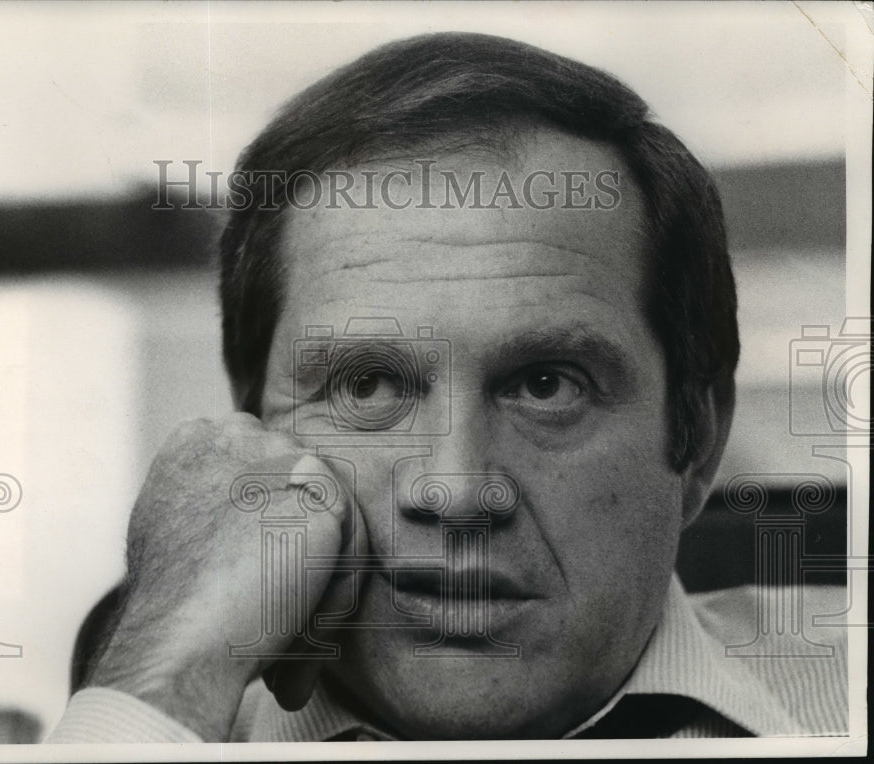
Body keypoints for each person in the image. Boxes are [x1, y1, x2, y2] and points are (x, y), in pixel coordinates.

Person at [48, 32, 847, 742]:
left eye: (545, 385)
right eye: (366, 386)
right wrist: (160, 678)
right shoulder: (165, 721)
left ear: (697, 438)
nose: (458, 488)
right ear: (251, 432)